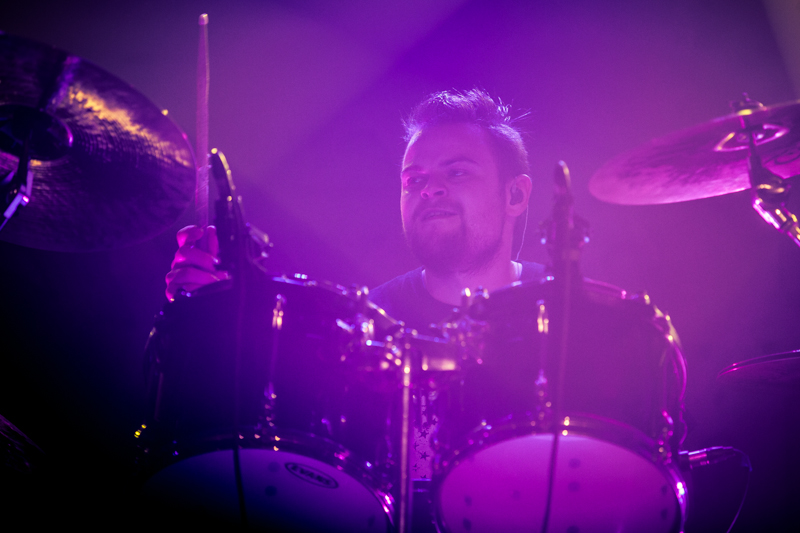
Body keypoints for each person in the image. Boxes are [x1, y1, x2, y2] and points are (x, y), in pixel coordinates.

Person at [165, 88, 543, 326]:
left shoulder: (568, 314)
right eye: (414, 180)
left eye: (457, 172)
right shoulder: (363, 327)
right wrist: (211, 317)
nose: (429, 190)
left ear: (515, 195)